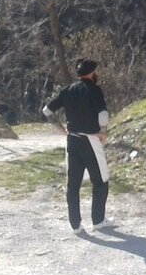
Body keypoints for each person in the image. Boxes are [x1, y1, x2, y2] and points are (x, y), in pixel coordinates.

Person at [43, 58, 112, 235]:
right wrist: (103, 131)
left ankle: (76, 225)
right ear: (91, 73)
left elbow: (47, 111)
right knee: (101, 181)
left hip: (71, 141)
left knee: (73, 185)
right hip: (90, 140)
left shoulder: (67, 90)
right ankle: (98, 221)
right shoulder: (94, 89)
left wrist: (61, 130)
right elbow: (103, 114)